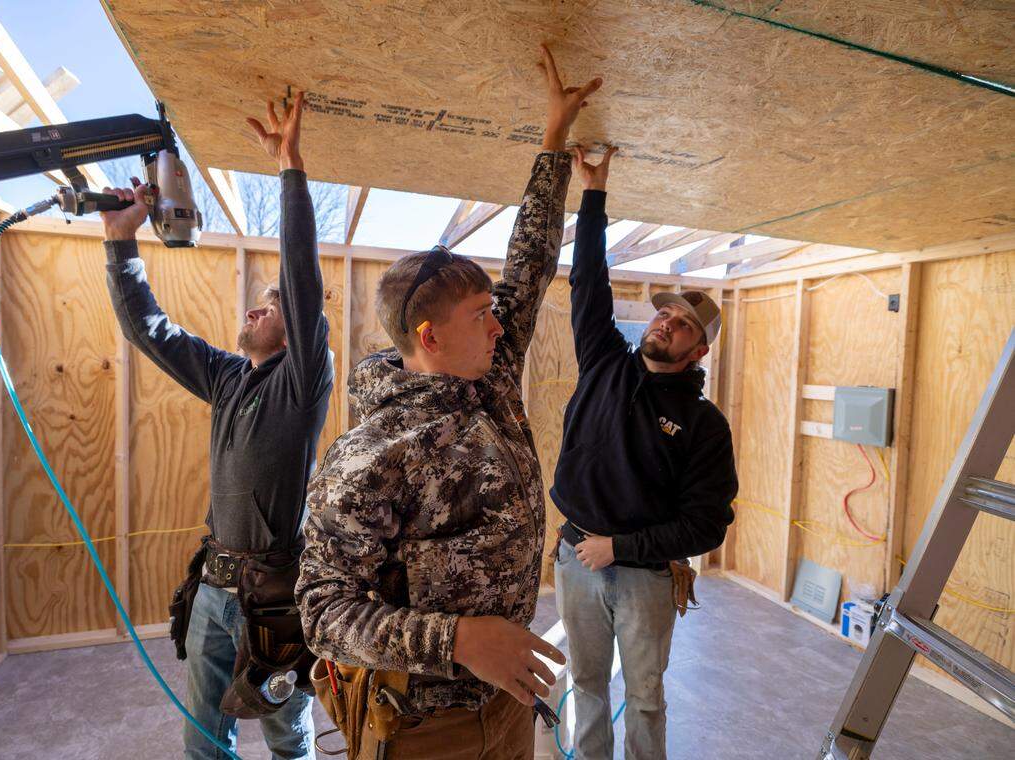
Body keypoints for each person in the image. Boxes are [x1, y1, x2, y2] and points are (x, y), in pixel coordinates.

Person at [295, 45, 601, 759]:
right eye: (482, 317)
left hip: (506, 705)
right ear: (428, 336)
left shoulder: (485, 378)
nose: (502, 325)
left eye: (495, 312)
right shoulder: (371, 455)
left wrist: (552, 142)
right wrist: (459, 640)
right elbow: (322, 611)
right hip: (423, 729)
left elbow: (528, 264)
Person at [99, 89, 331, 760]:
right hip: (213, 589)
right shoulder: (229, 376)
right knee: (204, 731)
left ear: (299, 332)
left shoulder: (301, 382)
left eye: (274, 305)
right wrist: (121, 246)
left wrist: (291, 171)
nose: (260, 309)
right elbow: (152, 333)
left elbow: (304, 282)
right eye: (259, 303)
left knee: (287, 730)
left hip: (277, 596)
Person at [549, 146, 739, 760]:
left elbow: (707, 523)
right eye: (665, 316)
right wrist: (594, 195)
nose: (666, 325)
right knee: (584, 685)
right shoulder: (604, 361)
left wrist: (622, 548)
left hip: (642, 577)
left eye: (684, 325)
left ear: (698, 351)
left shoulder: (704, 425)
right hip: (576, 557)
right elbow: (587, 282)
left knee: (647, 696)